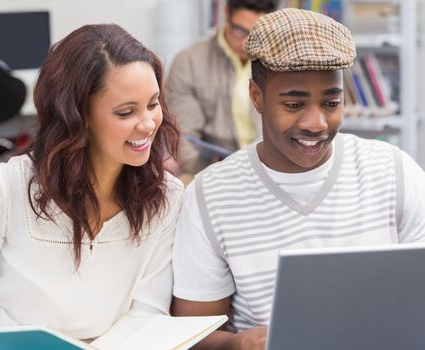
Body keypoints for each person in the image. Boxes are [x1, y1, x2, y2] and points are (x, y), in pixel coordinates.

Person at [171, 8, 425, 350]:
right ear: (257, 97)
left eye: (332, 102)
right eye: (294, 104)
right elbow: (192, 335)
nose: (316, 123)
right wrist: (239, 344)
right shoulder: (210, 195)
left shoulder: (395, 171)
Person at [0, 24, 183, 349]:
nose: (148, 123)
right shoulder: (6, 189)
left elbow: (148, 313)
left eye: (153, 103)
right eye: (126, 111)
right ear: (78, 114)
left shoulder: (167, 198)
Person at [165, 0, 279, 176]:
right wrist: (212, 175)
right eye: (239, 31)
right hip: (210, 169)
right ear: (226, 13)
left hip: (273, 167)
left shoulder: (281, 63)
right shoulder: (188, 62)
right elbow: (182, 137)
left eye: (256, 34)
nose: (245, 44)